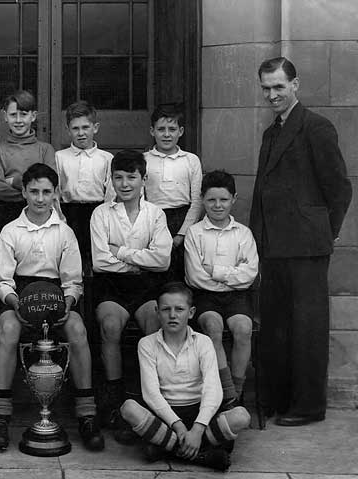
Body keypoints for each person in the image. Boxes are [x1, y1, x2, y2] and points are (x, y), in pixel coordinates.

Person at [250, 57, 352, 426]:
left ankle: (308, 406)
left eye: (279, 86)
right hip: (274, 247)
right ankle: (279, 398)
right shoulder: (271, 132)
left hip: (307, 247)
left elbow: (339, 188)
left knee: (307, 328)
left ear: (296, 85)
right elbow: (263, 190)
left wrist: (326, 233)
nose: (272, 95)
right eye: (266, 88)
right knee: (277, 325)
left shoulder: (316, 127)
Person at [0, 163, 104, 452]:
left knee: (77, 328)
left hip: (56, 298)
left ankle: (86, 413)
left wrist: (68, 303)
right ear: (24, 192)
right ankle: (0, 414)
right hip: (20, 297)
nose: (40, 198)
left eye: (46, 192)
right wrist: (16, 304)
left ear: (55, 194)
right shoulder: (10, 231)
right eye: (34, 191)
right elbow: (1, 280)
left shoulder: (64, 232)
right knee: (8, 329)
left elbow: (73, 280)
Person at [120, 282, 251, 471]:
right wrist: (180, 427)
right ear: (157, 311)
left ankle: (169, 447)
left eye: (179, 309)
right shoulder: (147, 344)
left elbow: (213, 390)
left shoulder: (203, 342)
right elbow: (151, 394)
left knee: (241, 416)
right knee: (129, 408)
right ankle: (202, 455)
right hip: (167, 416)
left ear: (191, 312)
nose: (172, 315)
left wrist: (198, 429)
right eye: (166, 309)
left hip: (201, 414)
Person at [90, 149, 172, 443]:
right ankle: (113, 399)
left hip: (147, 286)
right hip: (111, 286)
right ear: (111, 180)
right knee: (110, 325)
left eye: (131, 177)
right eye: (118, 178)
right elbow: (100, 261)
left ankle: (145, 397)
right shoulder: (101, 213)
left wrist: (121, 252)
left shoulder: (155, 214)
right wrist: (140, 259)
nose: (124, 184)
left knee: (154, 324)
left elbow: (162, 260)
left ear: (144, 179)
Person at [184, 170, 258, 407]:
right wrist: (232, 273)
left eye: (224, 200)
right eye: (211, 200)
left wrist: (215, 271)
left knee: (243, 328)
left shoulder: (243, 234)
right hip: (205, 297)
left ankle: (237, 390)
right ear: (203, 200)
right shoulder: (195, 233)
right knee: (213, 328)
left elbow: (249, 275)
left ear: (233, 199)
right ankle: (226, 392)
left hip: (237, 297)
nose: (217, 205)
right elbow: (195, 277)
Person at [0, 90, 56, 254]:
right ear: (5, 116)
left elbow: (50, 183)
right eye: (13, 115)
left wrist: (13, 180)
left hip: (39, 214)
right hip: (6, 212)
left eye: (23, 114)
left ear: (33, 116)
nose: (18, 120)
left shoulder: (45, 150)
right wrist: (32, 189)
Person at [144, 104, 202, 280]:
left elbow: (197, 200)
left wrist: (182, 233)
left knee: (180, 272)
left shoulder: (191, 160)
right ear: (152, 131)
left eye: (172, 129)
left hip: (183, 220)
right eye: (161, 129)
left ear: (181, 131)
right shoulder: (145, 160)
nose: (167, 134)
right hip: (153, 220)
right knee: (155, 272)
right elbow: (141, 198)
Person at [55, 100, 113, 258]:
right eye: (75, 128)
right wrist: (61, 219)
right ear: (68, 130)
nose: (81, 133)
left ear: (95, 127)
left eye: (85, 127)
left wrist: (106, 220)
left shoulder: (106, 159)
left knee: (95, 256)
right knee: (70, 256)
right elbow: (56, 192)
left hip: (97, 213)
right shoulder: (60, 157)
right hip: (69, 213)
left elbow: (110, 194)